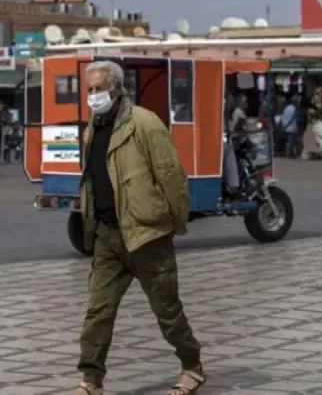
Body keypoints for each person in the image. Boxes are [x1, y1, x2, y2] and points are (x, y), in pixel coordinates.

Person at [75, 60, 204, 395]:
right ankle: (91, 381)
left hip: (146, 235)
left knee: (167, 310)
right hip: (107, 236)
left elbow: (171, 177)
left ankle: (192, 367)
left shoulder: (145, 124)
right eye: (89, 89)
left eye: (99, 88)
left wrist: (173, 223)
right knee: (98, 312)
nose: (93, 95)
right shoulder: (92, 129)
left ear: (117, 88)